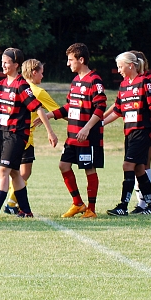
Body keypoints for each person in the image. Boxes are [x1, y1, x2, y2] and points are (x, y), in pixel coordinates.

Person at [0, 48, 57, 222]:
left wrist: (50, 132)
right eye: (2, 62)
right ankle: (26, 210)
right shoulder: (0, 85)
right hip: (3, 133)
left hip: (17, 134)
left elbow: (37, 108)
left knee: (4, 170)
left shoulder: (21, 85)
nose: (3, 65)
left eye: (6, 62)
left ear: (16, 65)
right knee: (14, 172)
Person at [49, 43, 106, 218]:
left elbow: (101, 107)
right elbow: (69, 106)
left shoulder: (94, 80)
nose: (68, 64)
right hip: (73, 136)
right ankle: (78, 203)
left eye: (70, 60)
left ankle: (92, 209)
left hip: (88, 137)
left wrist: (87, 128)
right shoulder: (75, 82)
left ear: (81, 60)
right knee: (63, 165)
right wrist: (49, 115)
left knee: (89, 169)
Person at [102, 52, 151, 216]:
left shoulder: (144, 82)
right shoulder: (123, 85)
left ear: (131, 65)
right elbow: (117, 111)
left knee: (127, 165)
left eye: (120, 66)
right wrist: (100, 124)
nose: (119, 70)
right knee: (139, 169)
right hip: (129, 132)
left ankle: (123, 205)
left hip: (142, 131)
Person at [2, 59, 60, 214]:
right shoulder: (38, 91)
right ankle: (11, 203)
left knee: (12, 171)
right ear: (34, 72)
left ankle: (12, 204)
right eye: (41, 72)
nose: (42, 75)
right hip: (26, 138)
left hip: (9, 135)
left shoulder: (15, 86)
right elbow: (59, 111)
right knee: (23, 173)